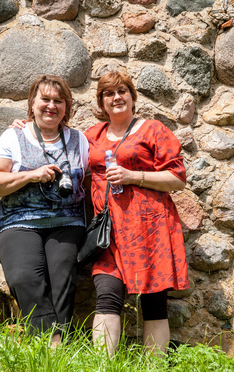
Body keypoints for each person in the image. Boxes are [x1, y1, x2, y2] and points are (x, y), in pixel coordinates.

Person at [85, 71, 189, 356]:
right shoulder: (92, 136)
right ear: (102, 103)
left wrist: (133, 176)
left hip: (149, 228)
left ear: (132, 97)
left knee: (154, 302)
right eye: (109, 93)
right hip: (109, 232)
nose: (116, 97)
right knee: (106, 293)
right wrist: (25, 127)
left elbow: (178, 179)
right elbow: (60, 145)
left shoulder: (152, 130)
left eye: (122, 91)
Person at [0, 74, 89, 344]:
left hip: (67, 222)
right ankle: (52, 341)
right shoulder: (13, 136)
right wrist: (31, 175)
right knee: (23, 276)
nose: (51, 106)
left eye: (59, 101)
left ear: (67, 107)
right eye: (45, 99)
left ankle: (53, 349)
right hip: (18, 222)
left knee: (62, 276)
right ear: (32, 103)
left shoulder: (80, 140)